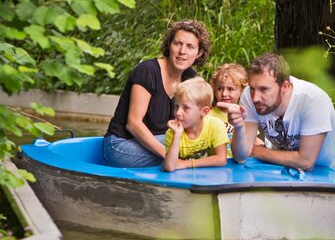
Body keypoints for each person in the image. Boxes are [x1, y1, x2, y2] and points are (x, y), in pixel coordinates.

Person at [103, 19, 210, 167]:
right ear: (169, 45)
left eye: (190, 47)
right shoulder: (148, 70)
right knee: (190, 150)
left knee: (201, 144)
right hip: (121, 146)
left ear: (199, 53)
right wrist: (171, 156)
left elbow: (202, 121)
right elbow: (133, 124)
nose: (182, 51)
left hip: (158, 141)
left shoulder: (190, 79)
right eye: (177, 43)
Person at [217, 52, 335, 171]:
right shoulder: (249, 95)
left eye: (264, 89)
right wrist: (239, 127)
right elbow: (240, 157)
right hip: (279, 170)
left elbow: (306, 162)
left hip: (323, 176)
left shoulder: (313, 100)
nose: (255, 98)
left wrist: (255, 150)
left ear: (285, 86)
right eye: (253, 89)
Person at [162, 77, 229, 172]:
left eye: (186, 108)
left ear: (204, 112)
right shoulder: (173, 132)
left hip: (211, 177)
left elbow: (221, 159)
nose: (178, 113)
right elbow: (170, 167)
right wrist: (177, 135)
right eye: (177, 106)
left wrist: (186, 164)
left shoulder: (215, 125)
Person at [208, 63, 248, 157]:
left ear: (242, 90)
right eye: (219, 88)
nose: (224, 93)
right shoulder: (207, 116)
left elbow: (253, 141)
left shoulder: (244, 114)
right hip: (215, 165)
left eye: (230, 89)